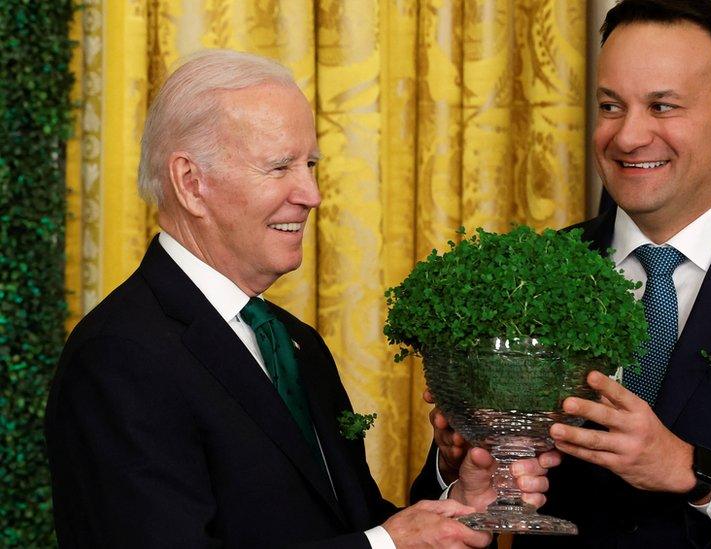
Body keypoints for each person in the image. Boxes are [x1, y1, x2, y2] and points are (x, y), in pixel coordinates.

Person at [411, 1, 711, 547]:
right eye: (610, 106)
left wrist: (692, 472)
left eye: (663, 106)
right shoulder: (528, 277)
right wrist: (457, 466)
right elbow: (441, 514)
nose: (627, 137)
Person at [45, 49, 554, 548]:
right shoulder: (117, 357)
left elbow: (350, 524)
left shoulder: (294, 342)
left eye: (310, 164)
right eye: (279, 167)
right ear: (191, 183)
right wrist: (387, 545)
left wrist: (459, 497)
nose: (311, 194)